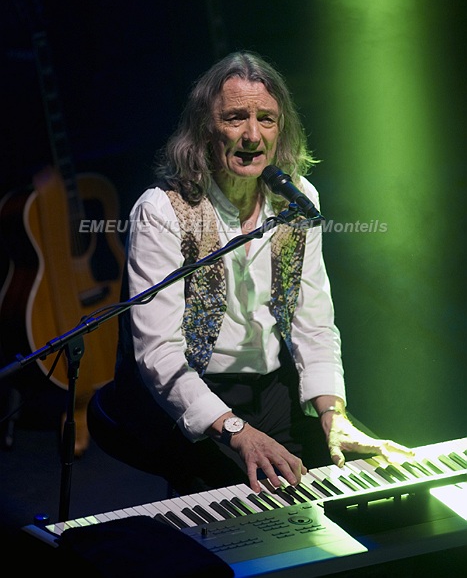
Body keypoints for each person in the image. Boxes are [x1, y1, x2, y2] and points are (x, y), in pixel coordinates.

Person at [113, 50, 413, 496]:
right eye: (235, 118)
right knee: (237, 507)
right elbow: (159, 353)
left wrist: (333, 414)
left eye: (266, 120)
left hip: (275, 388)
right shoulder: (162, 210)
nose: (252, 135)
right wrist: (236, 431)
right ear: (205, 128)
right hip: (195, 394)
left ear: (280, 128)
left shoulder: (297, 198)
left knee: (363, 484)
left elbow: (314, 321)